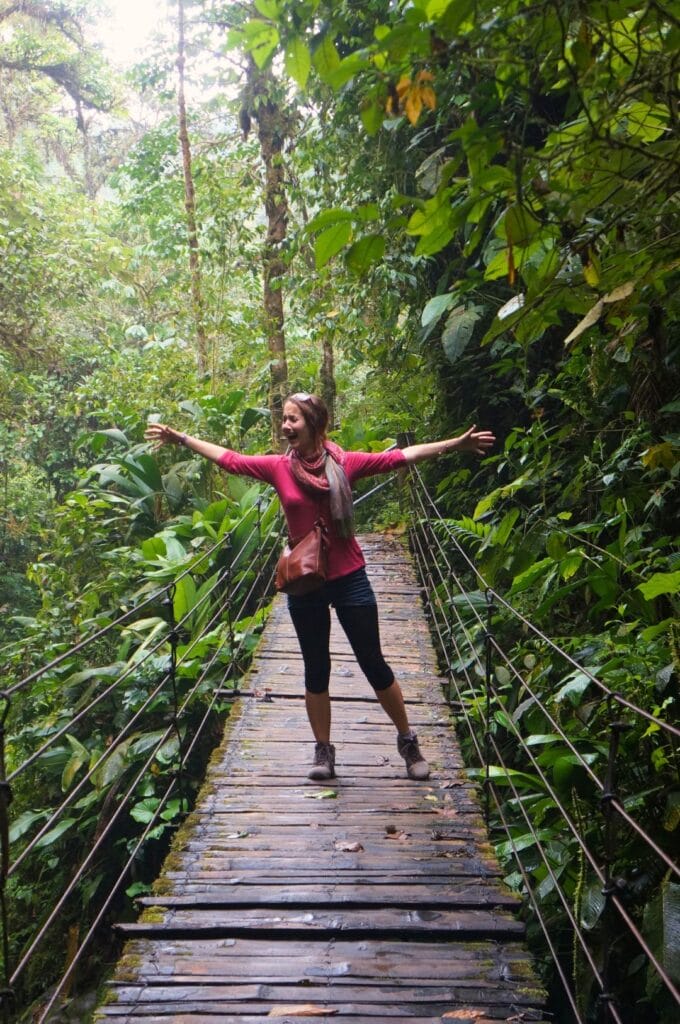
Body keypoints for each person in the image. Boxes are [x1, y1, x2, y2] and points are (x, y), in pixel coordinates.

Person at [145, 394, 495, 782]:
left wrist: (455, 445)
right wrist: (182, 439)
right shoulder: (279, 468)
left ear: (314, 424)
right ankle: (324, 751)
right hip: (304, 582)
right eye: (284, 419)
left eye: (293, 419)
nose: (285, 426)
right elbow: (231, 459)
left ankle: (407, 740)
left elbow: (402, 457)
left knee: (372, 662)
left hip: (349, 577)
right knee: (316, 668)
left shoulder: (346, 465)